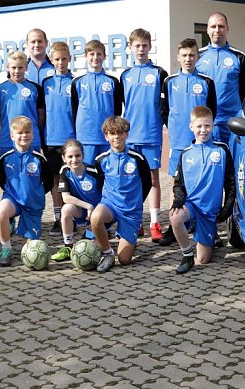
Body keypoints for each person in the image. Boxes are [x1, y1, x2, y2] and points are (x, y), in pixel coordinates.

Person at [159, 38, 217, 246]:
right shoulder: (169, 81)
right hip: (178, 144)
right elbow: (164, 111)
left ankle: (204, 224)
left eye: (192, 55)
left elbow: (212, 111)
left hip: (201, 145)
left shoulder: (206, 82)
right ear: (178, 57)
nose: (188, 59)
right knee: (175, 183)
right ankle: (172, 225)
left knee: (202, 182)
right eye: (184, 55)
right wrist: (175, 130)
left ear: (198, 56)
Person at [169, 106, 235, 273]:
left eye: (207, 126)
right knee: (175, 218)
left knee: (204, 260)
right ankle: (187, 254)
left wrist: (227, 207)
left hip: (209, 211)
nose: (203, 130)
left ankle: (209, 238)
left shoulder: (222, 150)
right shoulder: (185, 154)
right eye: (199, 126)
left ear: (213, 126)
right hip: (191, 206)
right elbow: (179, 184)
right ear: (191, 127)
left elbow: (231, 182)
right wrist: (178, 200)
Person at [119, 28, 169, 243]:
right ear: (130, 48)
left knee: (153, 179)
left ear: (150, 47)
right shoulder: (125, 75)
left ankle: (155, 222)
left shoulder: (159, 73)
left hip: (151, 135)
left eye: (144, 45)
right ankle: (135, 221)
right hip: (130, 137)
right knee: (132, 180)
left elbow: (166, 105)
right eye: (136, 45)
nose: (141, 49)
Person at [91, 116, 151, 272]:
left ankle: (128, 237)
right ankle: (107, 252)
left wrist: (137, 202)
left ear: (127, 134)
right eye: (112, 133)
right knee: (95, 217)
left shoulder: (137, 159)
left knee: (124, 260)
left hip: (131, 212)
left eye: (121, 133)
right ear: (106, 136)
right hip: (110, 205)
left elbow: (147, 183)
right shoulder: (100, 160)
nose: (117, 136)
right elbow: (98, 185)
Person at [0, 116, 53, 267]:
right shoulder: (5, 158)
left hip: (33, 205)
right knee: (1, 212)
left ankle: (20, 227)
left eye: (27, 132)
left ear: (33, 134)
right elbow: (2, 181)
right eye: (19, 132)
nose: (24, 135)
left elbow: (48, 183)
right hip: (13, 199)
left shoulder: (40, 159)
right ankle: (6, 249)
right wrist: (11, 195)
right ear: (12, 135)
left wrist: (35, 195)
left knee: (31, 250)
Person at [195, 12, 245, 144]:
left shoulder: (240, 57)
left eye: (221, 26)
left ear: (227, 29)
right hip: (204, 123)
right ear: (207, 30)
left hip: (231, 123)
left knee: (231, 162)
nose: (217, 30)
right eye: (213, 26)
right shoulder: (198, 57)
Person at [41, 41, 75, 235]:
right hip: (51, 140)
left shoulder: (76, 83)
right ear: (51, 61)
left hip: (71, 139)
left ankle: (75, 216)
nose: (60, 62)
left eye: (64, 59)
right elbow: (42, 113)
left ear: (69, 59)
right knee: (55, 180)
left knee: (72, 178)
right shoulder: (46, 84)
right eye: (57, 59)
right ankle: (57, 217)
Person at [71, 40, 123, 166]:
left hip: (107, 136)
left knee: (106, 172)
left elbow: (117, 110)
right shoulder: (77, 82)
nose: (96, 57)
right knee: (88, 171)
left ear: (104, 56)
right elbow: (74, 110)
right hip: (86, 136)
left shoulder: (113, 81)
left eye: (99, 54)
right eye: (92, 54)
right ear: (86, 56)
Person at [54, 139, 104, 262]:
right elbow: (66, 198)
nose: (74, 159)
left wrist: (95, 211)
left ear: (83, 155)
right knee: (66, 209)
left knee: (92, 250)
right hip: (83, 210)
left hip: (98, 213)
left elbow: (106, 195)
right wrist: (88, 206)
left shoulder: (94, 172)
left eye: (77, 155)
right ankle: (68, 246)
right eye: (70, 156)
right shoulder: (65, 171)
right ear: (64, 158)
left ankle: (94, 234)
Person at [0, 50, 46, 156]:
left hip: (31, 139)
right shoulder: (0, 89)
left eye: (20, 67)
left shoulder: (35, 88)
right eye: (13, 67)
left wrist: (33, 129)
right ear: (8, 67)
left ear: (26, 67)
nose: (17, 71)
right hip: (7, 139)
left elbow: (41, 115)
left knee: (32, 170)